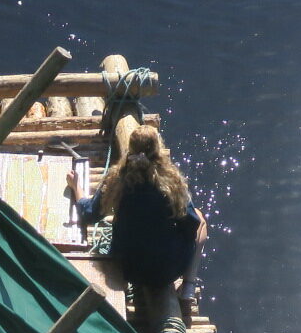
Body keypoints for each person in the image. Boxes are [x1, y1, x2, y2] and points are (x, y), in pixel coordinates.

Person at [72, 128, 206, 306]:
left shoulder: (116, 179)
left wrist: (77, 188)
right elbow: (191, 226)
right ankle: (188, 285)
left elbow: (89, 214)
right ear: (158, 149)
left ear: (130, 149)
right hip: (166, 271)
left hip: (127, 267)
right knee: (201, 219)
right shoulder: (172, 184)